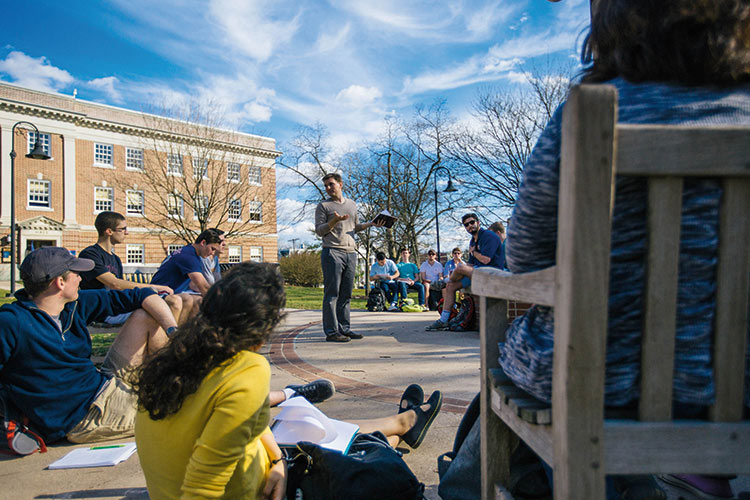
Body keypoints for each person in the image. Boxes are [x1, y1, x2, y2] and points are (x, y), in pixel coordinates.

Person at [499, 1, 750, 498]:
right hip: (738, 386)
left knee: (513, 362)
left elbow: (525, 256)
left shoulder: (592, 108)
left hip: (599, 381)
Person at [134, 262, 443, 500]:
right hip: (250, 491)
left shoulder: (175, 357)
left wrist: (278, 460)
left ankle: (402, 425)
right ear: (265, 326)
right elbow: (203, 484)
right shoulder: (247, 369)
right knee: (380, 475)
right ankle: (401, 427)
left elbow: (247, 425)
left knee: (322, 438)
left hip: (216, 479)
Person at [0, 246, 179, 444]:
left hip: (102, 384)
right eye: (76, 274)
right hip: (85, 416)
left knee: (147, 314)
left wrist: (173, 331)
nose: (80, 279)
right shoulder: (12, 322)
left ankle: (163, 383)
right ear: (60, 282)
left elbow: (141, 295)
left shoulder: (73, 304)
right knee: (180, 412)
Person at [79, 211, 183, 325]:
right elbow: (114, 284)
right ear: (109, 231)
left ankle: (172, 338)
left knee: (177, 301)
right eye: (123, 229)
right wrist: (154, 287)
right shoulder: (90, 255)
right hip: (102, 311)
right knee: (167, 304)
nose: (126, 233)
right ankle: (173, 338)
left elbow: (119, 287)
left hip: (116, 305)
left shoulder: (115, 259)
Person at [315, 172, 385, 342]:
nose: (328, 188)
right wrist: (334, 221)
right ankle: (332, 332)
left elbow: (354, 227)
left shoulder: (352, 205)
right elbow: (319, 231)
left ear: (341, 184)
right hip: (332, 252)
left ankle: (344, 328)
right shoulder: (323, 206)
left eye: (331, 184)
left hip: (350, 253)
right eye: (326, 186)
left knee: (346, 294)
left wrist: (371, 224)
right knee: (332, 294)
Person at [427, 214, 503, 331]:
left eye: (472, 222)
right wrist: (466, 266)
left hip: (492, 273)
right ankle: (443, 320)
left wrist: (473, 253)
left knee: (460, 268)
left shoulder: (489, 236)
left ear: (478, 222)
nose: (469, 226)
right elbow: (472, 264)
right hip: (478, 272)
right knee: (451, 286)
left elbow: (486, 259)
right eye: (466, 225)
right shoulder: (473, 240)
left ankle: (443, 281)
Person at [150, 228, 223, 297]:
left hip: (168, 291)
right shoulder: (189, 257)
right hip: (160, 292)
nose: (212, 253)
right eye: (212, 249)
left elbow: (194, 285)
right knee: (194, 301)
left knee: (197, 300)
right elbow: (204, 287)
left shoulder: (188, 250)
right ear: (203, 242)